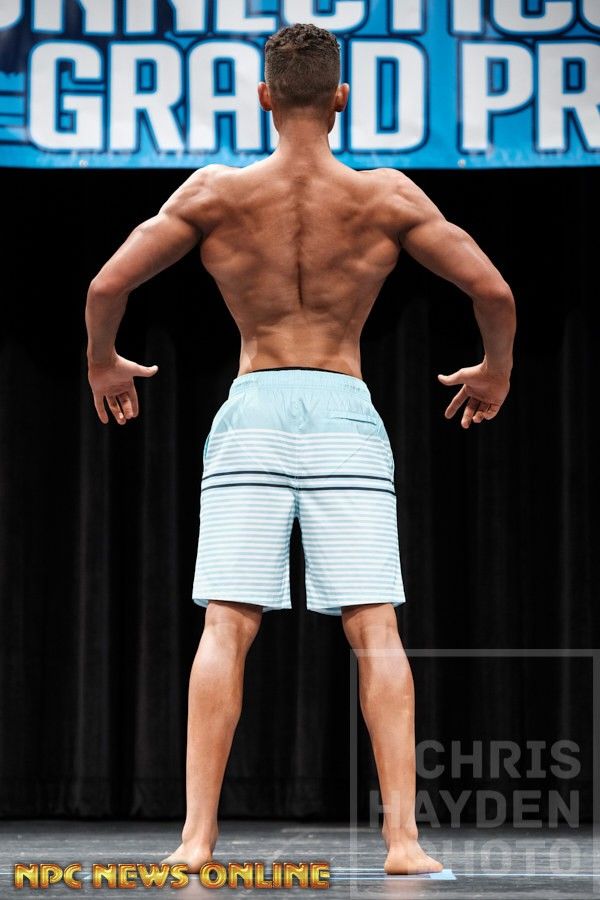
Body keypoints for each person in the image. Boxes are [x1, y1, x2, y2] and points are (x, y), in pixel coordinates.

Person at [85, 22, 515, 876]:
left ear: (264, 97)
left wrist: (103, 361)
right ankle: (403, 843)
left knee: (226, 624)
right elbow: (493, 291)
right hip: (342, 413)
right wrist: (495, 372)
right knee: (375, 628)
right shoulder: (385, 197)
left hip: (253, 412)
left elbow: (107, 284)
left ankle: (195, 840)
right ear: (342, 98)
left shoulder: (215, 192)